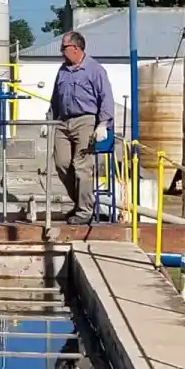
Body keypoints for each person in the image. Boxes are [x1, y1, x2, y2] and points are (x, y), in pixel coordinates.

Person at [49, 31, 114, 225]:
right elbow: (55, 97)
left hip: (85, 120)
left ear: (75, 48)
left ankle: (85, 210)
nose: (61, 52)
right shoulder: (63, 70)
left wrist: (103, 123)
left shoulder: (95, 70)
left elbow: (106, 98)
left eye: (64, 48)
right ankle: (81, 203)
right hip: (63, 122)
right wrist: (49, 119)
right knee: (61, 163)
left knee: (81, 166)